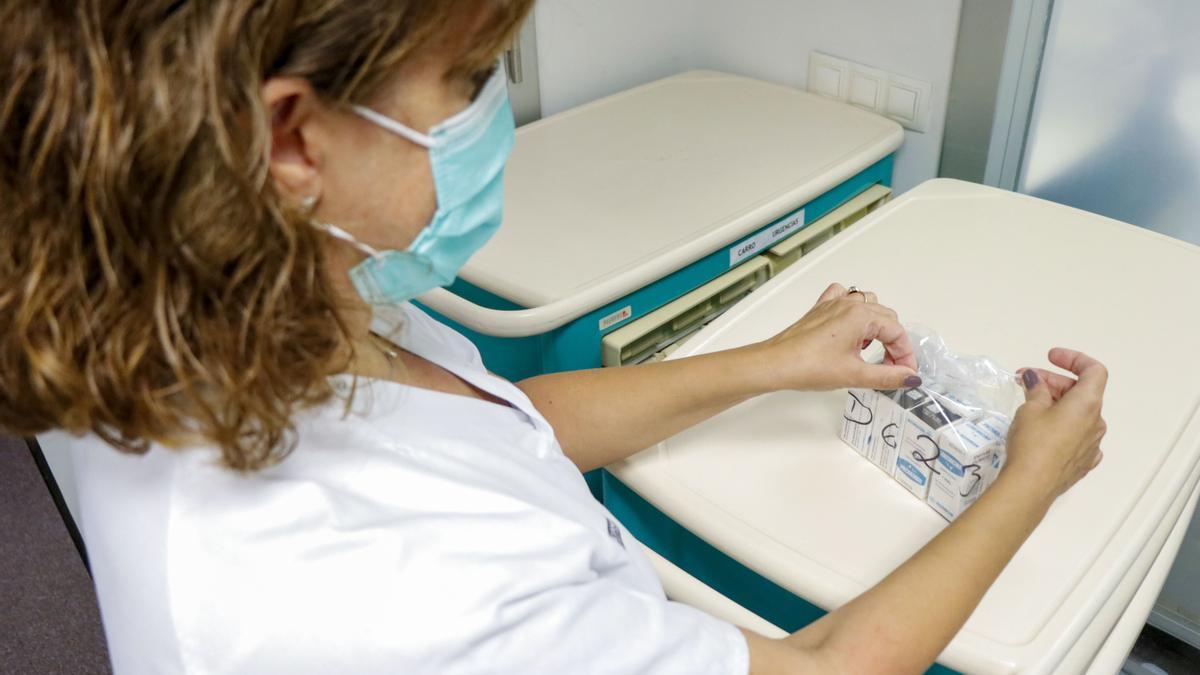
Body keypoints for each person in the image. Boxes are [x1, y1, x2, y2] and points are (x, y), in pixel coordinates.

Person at [0, 1, 1108, 673]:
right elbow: (819, 666)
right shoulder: (398, 600)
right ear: (294, 136)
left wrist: (770, 363)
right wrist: (1032, 475)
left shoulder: (206, 291)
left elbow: (488, 430)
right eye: (469, 79)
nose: (491, 121)